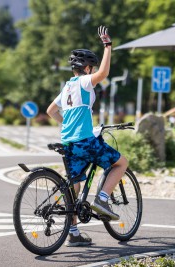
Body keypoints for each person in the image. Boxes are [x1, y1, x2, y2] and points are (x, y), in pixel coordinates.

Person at [47, 26, 128, 247]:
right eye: (91, 68)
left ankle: (73, 233)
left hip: (69, 143)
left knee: (74, 189)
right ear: (88, 67)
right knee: (120, 163)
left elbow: (51, 111)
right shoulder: (84, 82)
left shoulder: (66, 88)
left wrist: (69, 125)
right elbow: (103, 74)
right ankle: (102, 200)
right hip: (84, 140)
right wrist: (108, 46)